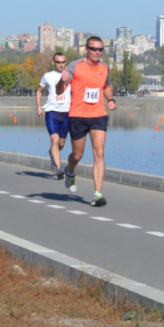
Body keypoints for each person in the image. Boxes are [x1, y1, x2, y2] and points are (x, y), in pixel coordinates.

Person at [56, 36, 117, 207]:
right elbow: (60, 90)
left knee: (99, 153)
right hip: (78, 115)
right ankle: (70, 170)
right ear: (86, 49)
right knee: (78, 154)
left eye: (100, 50)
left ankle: (97, 193)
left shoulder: (104, 68)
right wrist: (62, 80)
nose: (97, 52)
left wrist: (110, 99)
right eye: (94, 49)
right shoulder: (76, 66)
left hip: (98, 114)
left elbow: (106, 86)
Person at [35, 52, 71, 179]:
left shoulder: (70, 76)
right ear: (53, 62)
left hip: (67, 112)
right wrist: (39, 106)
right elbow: (39, 91)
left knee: (61, 143)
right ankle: (59, 168)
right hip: (52, 112)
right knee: (54, 140)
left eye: (63, 62)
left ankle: (52, 153)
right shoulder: (48, 76)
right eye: (58, 62)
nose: (61, 65)